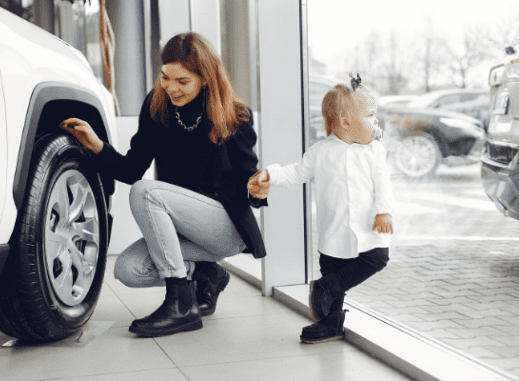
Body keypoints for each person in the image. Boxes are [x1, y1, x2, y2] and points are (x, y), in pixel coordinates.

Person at [59, 32, 267, 337]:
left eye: (183, 81)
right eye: (166, 77)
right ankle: (207, 273)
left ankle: (180, 304)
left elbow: (248, 177)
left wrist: (258, 189)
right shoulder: (157, 107)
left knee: (146, 192)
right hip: (185, 229)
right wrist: (97, 146)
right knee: (127, 269)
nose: (171, 87)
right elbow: (132, 169)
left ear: (205, 79)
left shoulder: (234, 114)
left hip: (224, 227)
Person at [247, 73, 394, 344]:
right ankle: (331, 324)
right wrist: (270, 174)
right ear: (347, 122)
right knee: (332, 268)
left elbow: (383, 183)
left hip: (367, 226)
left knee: (377, 258)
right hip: (333, 230)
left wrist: (384, 210)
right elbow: (296, 173)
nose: (376, 122)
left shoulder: (374, 152)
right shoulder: (320, 151)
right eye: (371, 116)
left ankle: (328, 287)